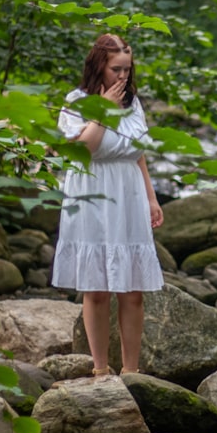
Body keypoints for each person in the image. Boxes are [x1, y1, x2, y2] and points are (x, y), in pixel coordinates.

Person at [52, 33, 164, 376]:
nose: (123, 77)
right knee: (96, 288)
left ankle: (131, 371)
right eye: (116, 69)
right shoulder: (76, 101)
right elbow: (82, 149)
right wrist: (103, 113)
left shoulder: (134, 103)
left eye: (127, 70)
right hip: (91, 192)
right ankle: (100, 369)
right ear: (99, 65)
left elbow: (137, 151)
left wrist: (151, 196)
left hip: (128, 194)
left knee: (132, 290)